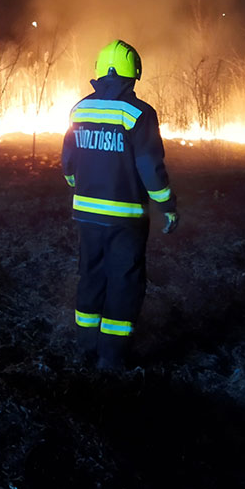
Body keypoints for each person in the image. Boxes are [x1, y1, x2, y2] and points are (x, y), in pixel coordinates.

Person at [61, 39, 177, 370]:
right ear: (133, 74)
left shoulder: (80, 109)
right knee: (124, 282)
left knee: (91, 276)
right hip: (126, 218)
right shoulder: (139, 114)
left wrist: (77, 186)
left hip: (86, 215)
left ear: (99, 73)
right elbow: (150, 168)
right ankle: (111, 358)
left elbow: (68, 162)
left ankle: (86, 347)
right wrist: (167, 205)